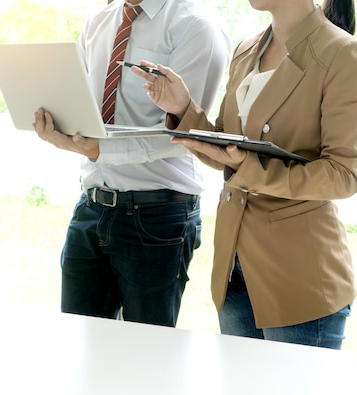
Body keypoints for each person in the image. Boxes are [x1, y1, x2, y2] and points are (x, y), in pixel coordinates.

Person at [132, 0, 357, 348]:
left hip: (299, 277)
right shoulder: (246, 49)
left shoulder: (342, 54)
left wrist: (248, 169)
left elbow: (343, 174)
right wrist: (183, 109)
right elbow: (228, 149)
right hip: (234, 270)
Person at [32, 0, 230, 327]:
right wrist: (60, 124)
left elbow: (186, 133)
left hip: (157, 216)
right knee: (81, 343)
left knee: (148, 356)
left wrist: (98, 150)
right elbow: (83, 107)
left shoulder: (195, 24)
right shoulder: (99, 21)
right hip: (92, 206)